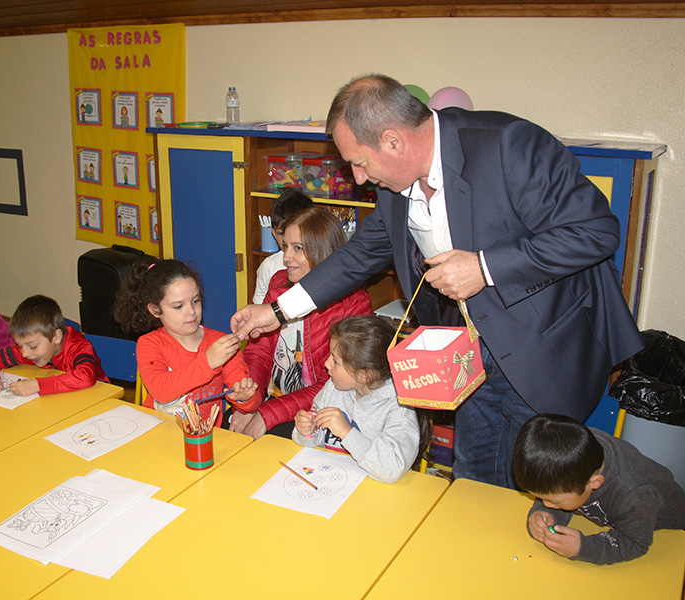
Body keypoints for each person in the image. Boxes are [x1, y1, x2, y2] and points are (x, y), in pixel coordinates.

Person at [231, 74, 643, 489]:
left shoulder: (507, 145)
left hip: (541, 349)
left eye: (359, 162)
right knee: (472, 479)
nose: (357, 178)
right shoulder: (395, 183)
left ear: (393, 141)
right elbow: (357, 256)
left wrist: (483, 267)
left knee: (535, 487)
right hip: (465, 355)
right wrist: (278, 310)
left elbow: (595, 232)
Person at [232, 206, 371, 439]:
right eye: (285, 246)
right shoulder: (278, 284)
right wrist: (250, 402)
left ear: (323, 251)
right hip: (270, 401)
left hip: (317, 413)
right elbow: (259, 354)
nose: (286, 258)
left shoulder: (353, 303)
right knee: (229, 431)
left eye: (298, 249)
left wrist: (266, 414)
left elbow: (332, 384)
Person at [513, 413, 685, 565]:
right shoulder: (577, 463)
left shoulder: (633, 494)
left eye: (552, 501)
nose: (546, 503)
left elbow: (635, 542)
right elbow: (558, 492)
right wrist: (543, 513)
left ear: (594, 483)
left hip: (667, 535)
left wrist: (582, 548)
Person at [112, 258, 261, 427]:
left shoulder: (219, 343)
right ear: (155, 310)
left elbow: (251, 400)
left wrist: (245, 398)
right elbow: (161, 391)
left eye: (195, 301)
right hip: (158, 433)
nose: (191, 312)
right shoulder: (149, 343)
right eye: (178, 306)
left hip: (204, 438)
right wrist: (208, 362)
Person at [293, 316, 428, 483]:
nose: (326, 364)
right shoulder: (333, 387)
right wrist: (306, 431)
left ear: (364, 375)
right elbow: (312, 443)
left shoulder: (398, 408)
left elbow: (392, 470)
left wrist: (346, 432)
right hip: (330, 480)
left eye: (335, 361)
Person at [0, 295, 108, 396]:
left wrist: (38, 385)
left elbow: (86, 377)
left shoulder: (78, 347)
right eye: (20, 346)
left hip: (98, 400)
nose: (24, 353)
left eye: (32, 346)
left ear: (56, 337)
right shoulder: (32, 351)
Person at [253, 189, 314, 303]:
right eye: (281, 233)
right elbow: (259, 305)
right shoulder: (269, 266)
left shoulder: (319, 263)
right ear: (273, 233)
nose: (287, 240)